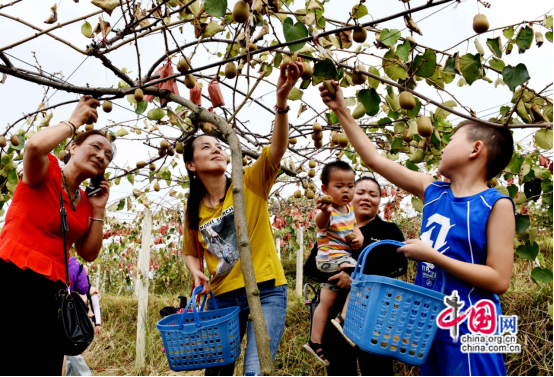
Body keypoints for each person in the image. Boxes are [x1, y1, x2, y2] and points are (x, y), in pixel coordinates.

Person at [320, 81, 515, 376]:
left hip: (472, 325)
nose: (443, 145)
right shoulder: (433, 190)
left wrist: (434, 257)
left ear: (476, 149)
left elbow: (499, 279)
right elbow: (373, 158)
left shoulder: (495, 204)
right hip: (430, 324)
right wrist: (342, 111)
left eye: (451, 140)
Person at [182, 58, 305, 376]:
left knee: (255, 371)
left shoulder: (249, 181)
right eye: (205, 147)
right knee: (217, 372)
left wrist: (281, 103)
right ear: (191, 166)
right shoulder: (194, 209)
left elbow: (276, 151)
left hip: (265, 290)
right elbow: (188, 252)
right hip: (221, 298)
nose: (216, 149)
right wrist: (197, 273)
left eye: (218, 145)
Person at [0, 96, 112, 375]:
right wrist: (74, 121)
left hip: (52, 291)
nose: (102, 156)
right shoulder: (45, 169)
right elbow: (34, 145)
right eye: (96, 147)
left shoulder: (85, 202)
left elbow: (88, 252)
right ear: (72, 147)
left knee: (42, 364)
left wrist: (99, 208)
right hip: (13, 274)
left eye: (108, 156)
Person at [304, 176, 408, 375]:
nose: (366, 198)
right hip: (335, 324)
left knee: (379, 372)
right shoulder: (333, 228)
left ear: (379, 200)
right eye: (360, 193)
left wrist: (355, 277)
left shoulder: (388, 231)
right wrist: (336, 276)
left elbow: (399, 265)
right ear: (350, 196)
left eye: (373, 194)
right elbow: (310, 267)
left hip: (375, 322)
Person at [303, 161, 364, 364]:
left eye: (350, 185)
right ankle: (344, 318)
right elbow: (320, 224)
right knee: (361, 276)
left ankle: (314, 341)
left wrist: (358, 239)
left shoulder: (349, 210)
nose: (346, 190)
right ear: (325, 189)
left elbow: (354, 232)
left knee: (325, 302)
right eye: (339, 186)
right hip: (331, 259)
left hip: (338, 260)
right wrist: (325, 211)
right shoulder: (328, 210)